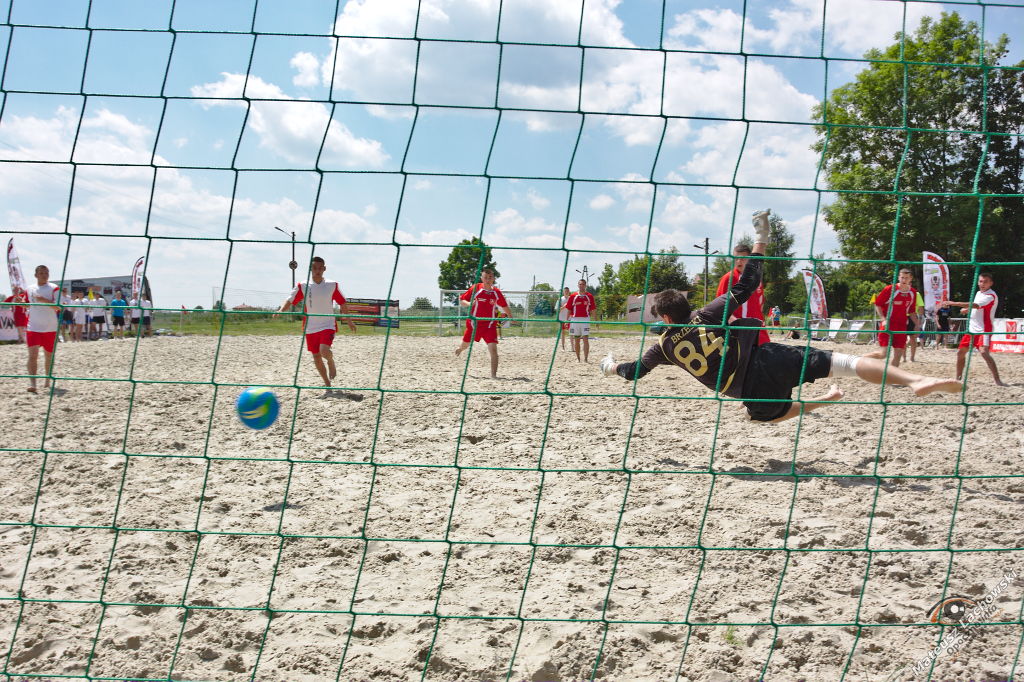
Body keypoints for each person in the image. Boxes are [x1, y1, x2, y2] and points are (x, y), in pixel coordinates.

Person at [599, 210, 962, 422]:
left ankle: (824, 399)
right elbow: (747, 283)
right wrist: (762, 238)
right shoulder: (704, 314)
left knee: (762, 415)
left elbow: (633, 373)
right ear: (682, 306)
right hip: (765, 355)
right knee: (845, 362)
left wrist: (611, 366)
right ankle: (914, 379)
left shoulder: (660, 347)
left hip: (742, 388)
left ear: (663, 316)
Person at [276, 257, 356, 391]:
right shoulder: (303, 285)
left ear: (324, 269)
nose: (317, 271)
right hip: (311, 326)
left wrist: (349, 321)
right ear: (310, 269)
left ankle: (331, 361)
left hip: (328, 324)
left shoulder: (332, 284)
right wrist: (281, 310)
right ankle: (327, 385)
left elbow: (342, 302)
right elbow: (290, 299)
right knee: (316, 357)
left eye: (320, 268)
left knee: (324, 351)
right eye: (315, 268)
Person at [941, 272, 1006, 387]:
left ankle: (998, 380)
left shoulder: (991, 295)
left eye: (985, 281)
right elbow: (976, 307)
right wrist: (967, 310)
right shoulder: (978, 293)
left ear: (991, 283)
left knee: (984, 353)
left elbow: (976, 305)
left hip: (984, 329)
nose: (982, 284)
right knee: (960, 353)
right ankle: (958, 378)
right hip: (972, 329)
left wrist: (953, 303)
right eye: (980, 281)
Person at [455, 268, 512, 379]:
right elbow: (461, 300)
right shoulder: (476, 288)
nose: (487, 279)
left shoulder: (496, 292)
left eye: (490, 277)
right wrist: (469, 303)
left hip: (489, 325)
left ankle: (493, 375)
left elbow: (504, 305)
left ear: (493, 279)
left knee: (493, 350)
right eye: (485, 277)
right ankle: (460, 348)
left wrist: (511, 317)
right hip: (474, 324)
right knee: (465, 345)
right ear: (482, 278)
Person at [716, 243, 770, 346]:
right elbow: (720, 307)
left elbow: (761, 303)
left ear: (750, 259)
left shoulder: (756, 279)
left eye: (743, 258)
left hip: (758, 329)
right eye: (736, 258)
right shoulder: (728, 278)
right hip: (740, 332)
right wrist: (735, 324)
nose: (738, 261)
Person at [865, 269, 919, 367]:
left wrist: (917, 325)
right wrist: (883, 319)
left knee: (898, 354)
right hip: (888, 325)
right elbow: (877, 304)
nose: (904, 280)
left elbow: (911, 311)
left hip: (902, 326)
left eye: (906, 278)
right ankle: (860, 359)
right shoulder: (890, 289)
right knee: (883, 354)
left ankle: (891, 377)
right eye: (902, 277)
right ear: (898, 277)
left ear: (910, 279)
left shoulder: (913, 292)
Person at [25, 265, 61, 393]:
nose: (44, 275)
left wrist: (43, 300)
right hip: (33, 327)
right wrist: (20, 301)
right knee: (32, 355)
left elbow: (58, 307)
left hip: (50, 328)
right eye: (41, 273)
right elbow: (26, 303)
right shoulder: (29, 288)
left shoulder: (54, 288)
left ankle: (47, 379)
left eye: (46, 273)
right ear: (36, 275)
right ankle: (33, 383)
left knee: (49, 356)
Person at [563, 278, 596, 362]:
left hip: (585, 319)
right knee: (576, 339)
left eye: (583, 284)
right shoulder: (573, 296)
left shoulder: (589, 296)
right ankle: (578, 359)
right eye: (580, 284)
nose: (581, 286)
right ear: (578, 285)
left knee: (585, 339)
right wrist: (567, 321)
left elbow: (593, 310)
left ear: (585, 285)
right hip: (575, 320)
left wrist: (596, 321)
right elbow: (569, 309)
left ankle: (585, 359)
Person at [907, 288, 925, 362]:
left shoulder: (916, 294)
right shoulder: (899, 292)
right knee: (902, 337)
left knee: (913, 338)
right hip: (901, 316)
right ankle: (904, 357)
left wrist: (919, 320)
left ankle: (912, 357)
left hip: (913, 316)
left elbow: (921, 307)